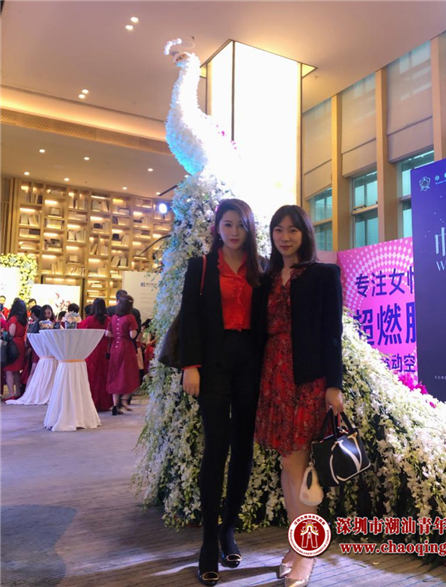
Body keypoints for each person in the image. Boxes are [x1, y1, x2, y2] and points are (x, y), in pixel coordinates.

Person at [254, 205, 344, 587]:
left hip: (306, 379)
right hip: (272, 378)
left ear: (305, 233)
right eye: (278, 229)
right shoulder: (267, 277)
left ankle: (307, 551)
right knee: (287, 463)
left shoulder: (324, 275)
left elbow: (332, 333)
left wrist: (334, 385)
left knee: (297, 465)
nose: (285, 237)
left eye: (292, 230)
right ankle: (298, 545)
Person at [179, 198, 265, 587]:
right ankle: (208, 542)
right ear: (217, 227)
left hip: (249, 365)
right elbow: (190, 318)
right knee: (216, 449)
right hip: (212, 366)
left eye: (240, 225)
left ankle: (228, 527)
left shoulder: (261, 267)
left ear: (249, 229)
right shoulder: (200, 267)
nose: (233, 232)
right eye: (227, 224)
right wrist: (190, 365)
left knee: (243, 449)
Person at [106, 294, 140, 415]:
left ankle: (115, 406)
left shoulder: (113, 317)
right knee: (130, 374)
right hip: (126, 348)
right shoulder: (130, 317)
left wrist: (117, 336)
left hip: (115, 348)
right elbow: (132, 335)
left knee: (115, 375)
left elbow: (107, 334)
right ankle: (124, 399)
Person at [80, 298, 113, 412]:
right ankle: (105, 403)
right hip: (104, 351)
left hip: (91, 350)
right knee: (103, 377)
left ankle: (91, 402)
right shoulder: (108, 320)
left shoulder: (89, 320)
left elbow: (81, 331)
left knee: (92, 377)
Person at [3, 298, 28, 400]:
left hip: (12, 345)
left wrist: (4, 332)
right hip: (20, 344)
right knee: (17, 371)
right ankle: (17, 392)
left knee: (8, 370)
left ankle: (11, 394)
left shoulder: (13, 319)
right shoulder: (23, 320)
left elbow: (12, 333)